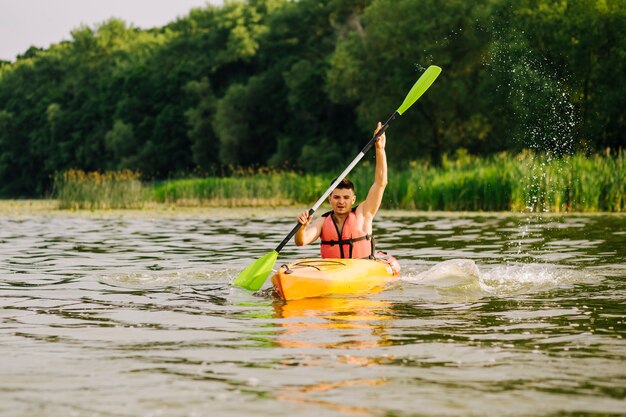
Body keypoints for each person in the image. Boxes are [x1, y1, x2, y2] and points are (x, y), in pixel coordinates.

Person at [295, 122, 387, 259]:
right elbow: (301, 242)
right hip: (334, 272)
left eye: (346, 197)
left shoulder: (364, 213)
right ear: (329, 198)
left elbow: (380, 183)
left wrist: (379, 149)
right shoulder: (322, 221)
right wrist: (301, 227)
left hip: (362, 269)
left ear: (353, 199)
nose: (341, 202)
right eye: (337, 197)